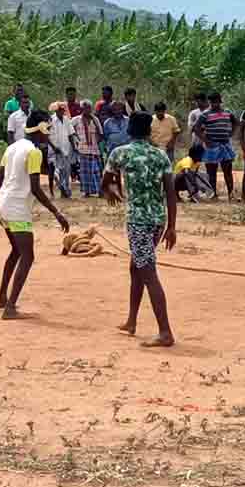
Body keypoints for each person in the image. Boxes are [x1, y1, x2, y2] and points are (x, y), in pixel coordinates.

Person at [102, 111, 177, 348]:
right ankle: (131, 321)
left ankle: (165, 332)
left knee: (148, 273)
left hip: (138, 222)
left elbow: (105, 181)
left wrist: (111, 189)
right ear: (150, 131)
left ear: (129, 130)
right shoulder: (161, 156)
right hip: (158, 221)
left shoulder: (120, 153)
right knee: (137, 268)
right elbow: (171, 193)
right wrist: (172, 226)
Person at [0, 110, 70, 320]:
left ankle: (1, 297)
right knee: (28, 256)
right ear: (41, 129)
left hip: (2, 205)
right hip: (16, 209)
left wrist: (3, 199)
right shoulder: (34, 152)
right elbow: (36, 188)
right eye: (49, 128)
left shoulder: (12, 147)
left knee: (17, 252)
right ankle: (10, 308)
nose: (50, 134)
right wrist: (57, 212)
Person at [194, 93, 238, 201]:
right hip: (211, 146)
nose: (214, 104)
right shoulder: (205, 114)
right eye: (212, 102)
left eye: (216, 101)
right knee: (211, 173)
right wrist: (205, 140)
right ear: (209, 102)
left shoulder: (227, 112)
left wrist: (231, 133)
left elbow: (236, 123)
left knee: (227, 171)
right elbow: (196, 128)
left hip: (225, 145)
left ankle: (231, 194)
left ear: (220, 101)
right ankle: (213, 194)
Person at [72, 100, 104, 198]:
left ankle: (99, 191)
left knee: (96, 171)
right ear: (81, 109)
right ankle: (87, 192)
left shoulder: (95, 119)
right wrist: (76, 142)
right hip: (82, 149)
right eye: (85, 108)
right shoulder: (76, 120)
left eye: (89, 108)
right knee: (85, 172)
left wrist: (96, 141)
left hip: (94, 149)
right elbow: (70, 132)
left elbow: (101, 133)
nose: (87, 110)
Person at [48, 102, 77, 199]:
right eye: (59, 110)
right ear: (56, 110)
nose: (61, 111)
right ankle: (61, 188)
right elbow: (46, 135)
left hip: (66, 149)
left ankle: (65, 191)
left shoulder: (66, 119)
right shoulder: (50, 120)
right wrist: (53, 146)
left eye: (63, 110)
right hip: (54, 149)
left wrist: (74, 147)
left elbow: (70, 134)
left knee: (66, 171)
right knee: (57, 170)